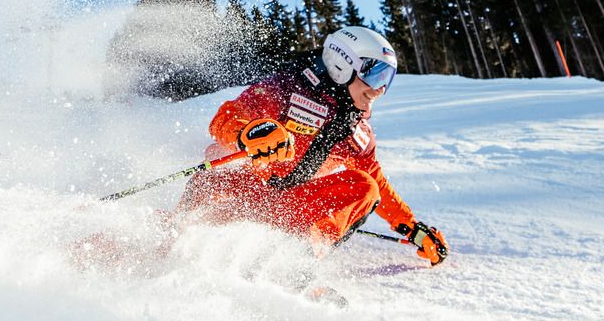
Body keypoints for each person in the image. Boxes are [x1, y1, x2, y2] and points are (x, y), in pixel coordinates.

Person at [176, 26, 449, 266]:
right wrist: (248, 132)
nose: (380, 89)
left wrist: (414, 229)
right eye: (375, 74)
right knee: (205, 191)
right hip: (238, 190)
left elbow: (376, 179)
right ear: (343, 64)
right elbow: (227, 117)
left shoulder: (354, 128)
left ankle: (295, 262)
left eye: (387, 79)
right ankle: (169, 241)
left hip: (286, 206)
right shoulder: (288, 88)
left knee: (365, 187)